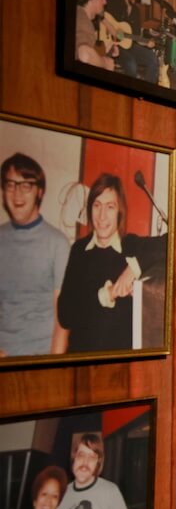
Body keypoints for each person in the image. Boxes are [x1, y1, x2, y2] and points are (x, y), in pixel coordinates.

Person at [57, 173, 167, 353]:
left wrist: (133, 268)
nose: (101, 216)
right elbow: (65, 315)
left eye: (110, 207)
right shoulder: (79, 250)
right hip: (80, 360)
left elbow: (175, 241)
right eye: (96, 205)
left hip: (119, 366)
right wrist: (106, 294)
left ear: (119, 212)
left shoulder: (133, 246)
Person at [0, 153, 70, 357]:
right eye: (11, 185)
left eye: (26, 185)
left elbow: (62, 319)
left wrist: (51, 366)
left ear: (39, 192)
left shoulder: (58, 243)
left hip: (39, 356)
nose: (17, 195)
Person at [105, 0, 159, 84]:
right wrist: (112, 32)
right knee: (131, 64)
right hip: (115, 45)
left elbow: (136, 36)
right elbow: (103, 17)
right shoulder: (114, 4)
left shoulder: (136, 11)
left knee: (153, 59)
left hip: (130, 45)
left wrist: (146, 43)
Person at [75, 0, 115, 71]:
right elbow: (84, 55)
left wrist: (104, 50)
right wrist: (105, 64)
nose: (105, 2)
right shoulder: (82, 19)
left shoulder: (80, 15)